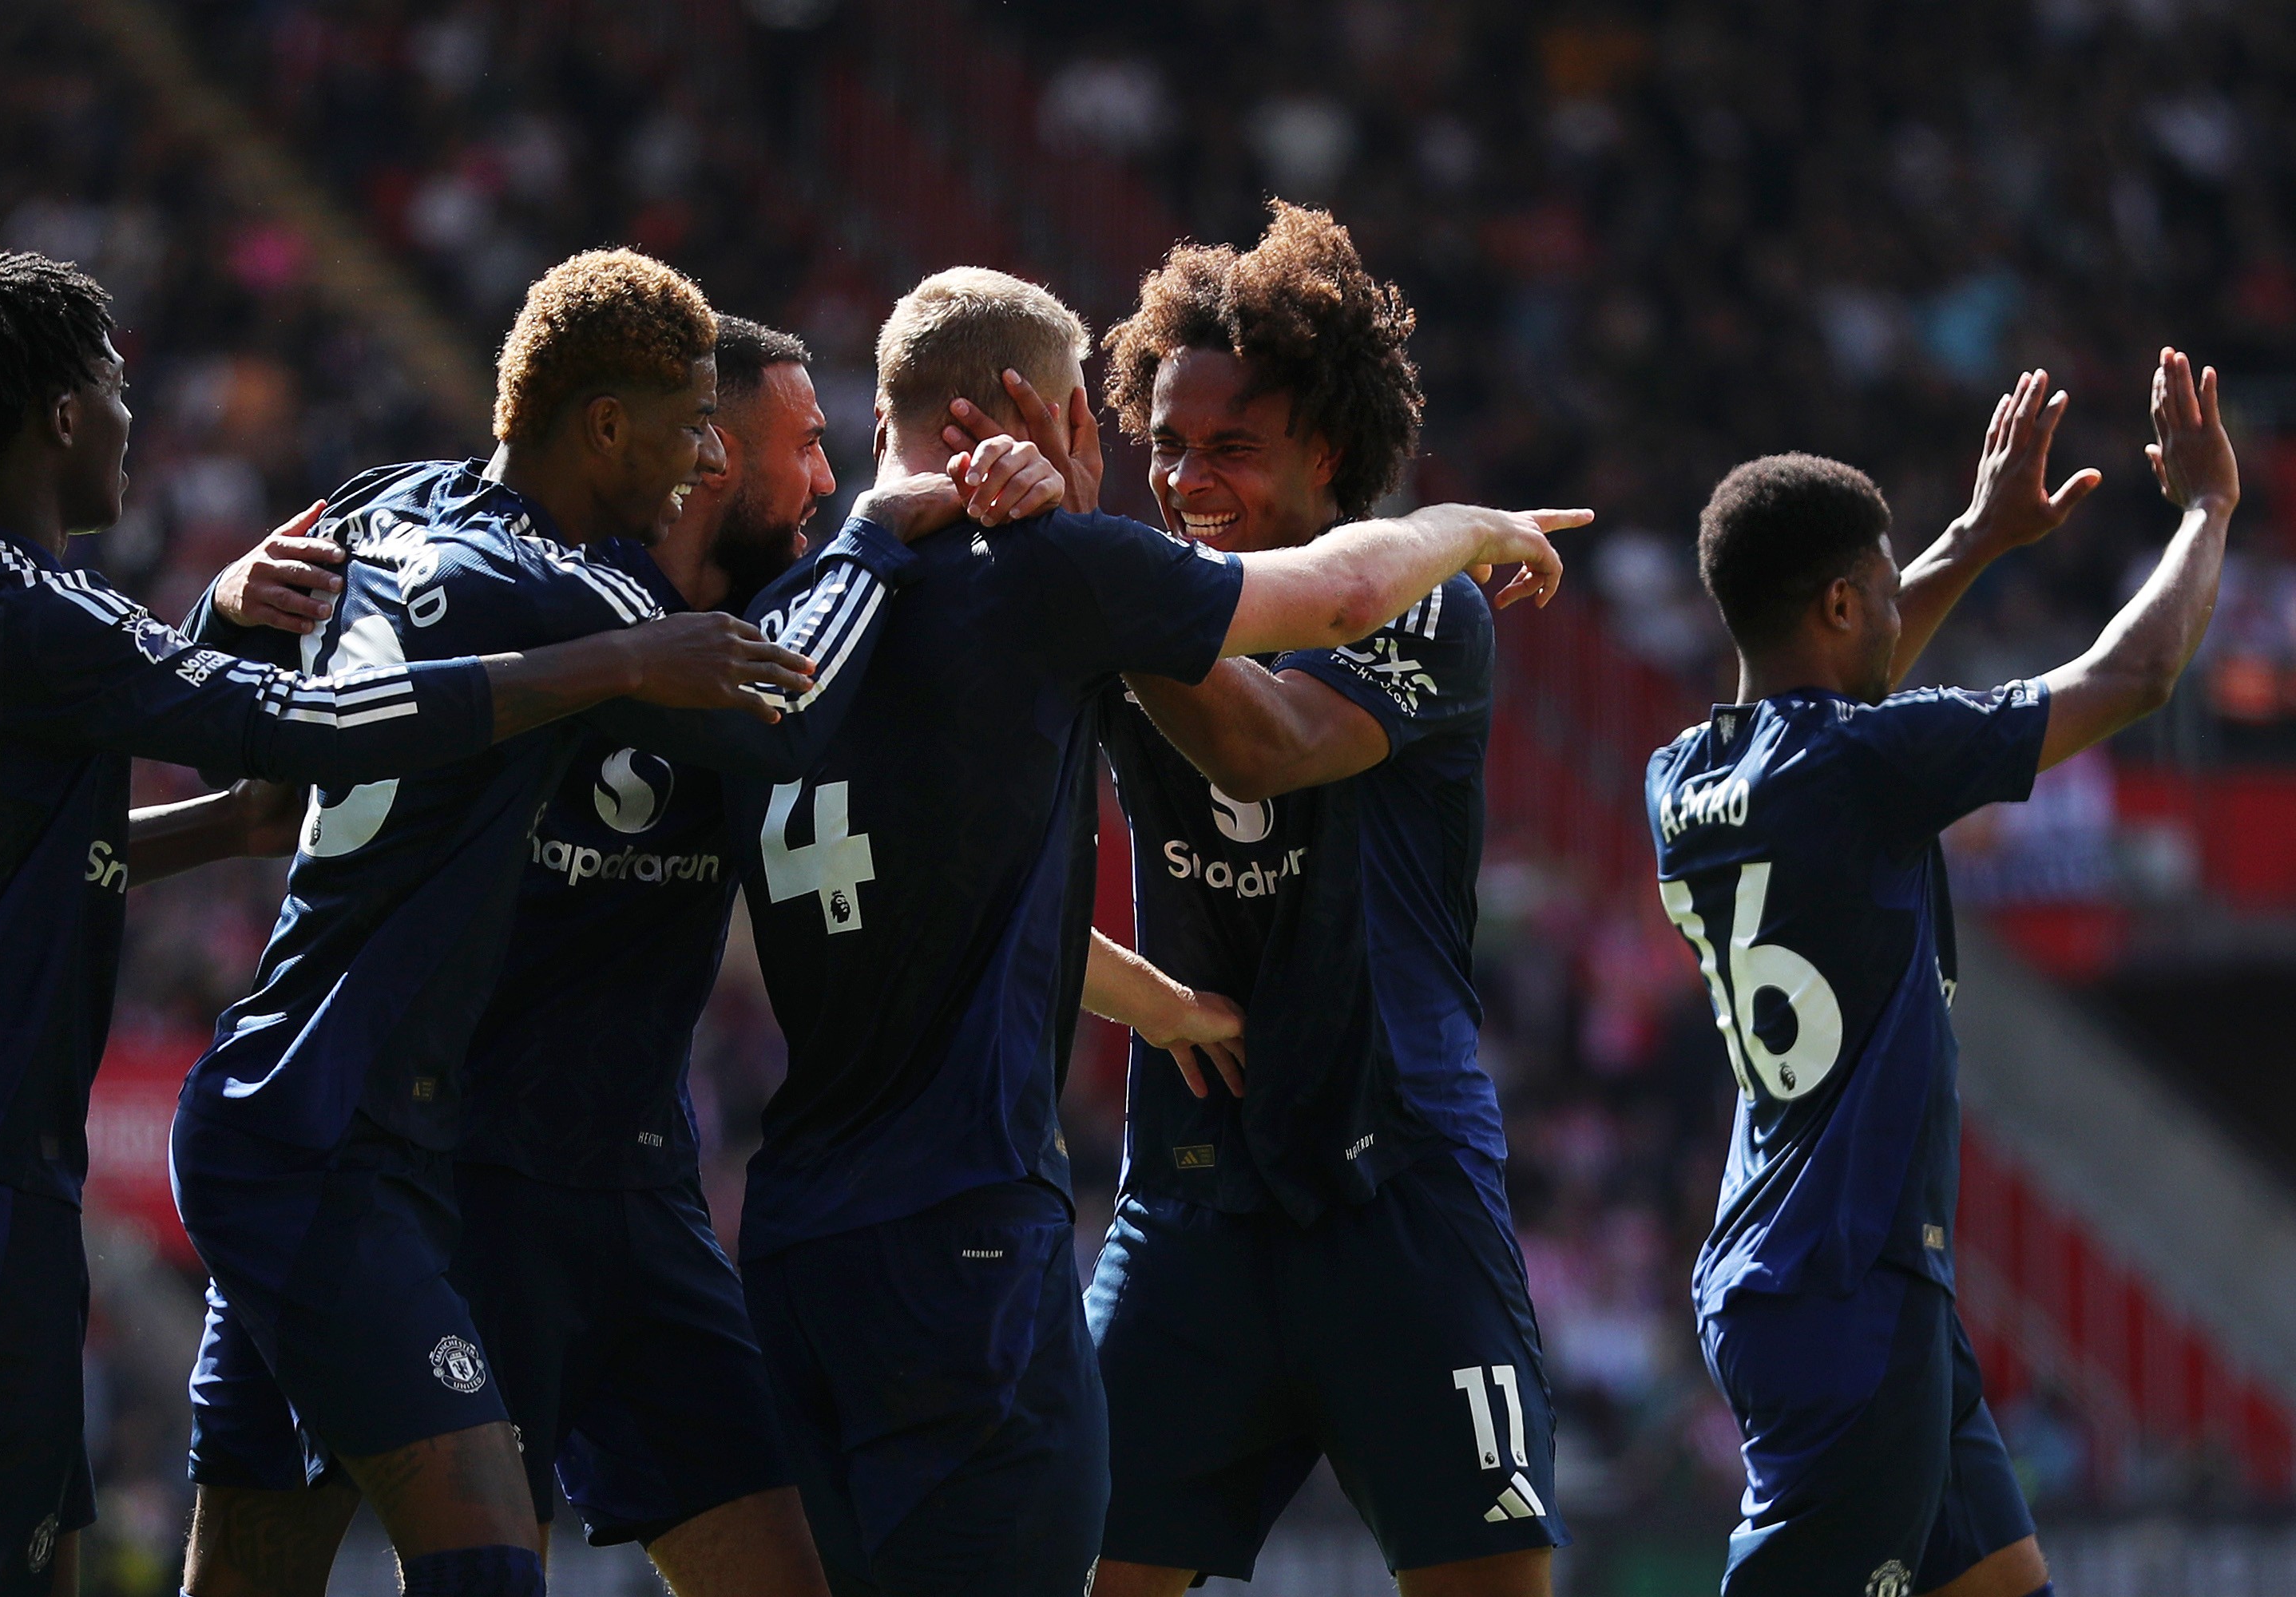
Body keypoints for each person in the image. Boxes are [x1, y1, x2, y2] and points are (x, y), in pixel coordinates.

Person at [0, 253, 807, 1597]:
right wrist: (618, 663)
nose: (127, 416)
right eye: (109, 385)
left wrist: (221, 722)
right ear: (54, 417)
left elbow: (31, 850)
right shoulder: (36, 616)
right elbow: (310, 729)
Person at [168, 252, 1053, 1597]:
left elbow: (225, 699)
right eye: (788, 447)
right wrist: (229, 602)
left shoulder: (592, 583)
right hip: (453, 1167)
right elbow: (776, 712)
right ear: (678, 455)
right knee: (406, 1556)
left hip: (635, 1182)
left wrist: (218, 609)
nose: (820, 484)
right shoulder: (590, 611)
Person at [723, 264, 1577, 1597]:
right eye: (1166, 447)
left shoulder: (1420, 596)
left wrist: (1087, 578)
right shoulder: (1108, 595)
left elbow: (1268, 748)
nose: (1187, 481)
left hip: (1397, 1180)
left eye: (1231, 448)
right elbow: (987, 892)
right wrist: (1161, 1008)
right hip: (1187, 1206)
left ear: (1330, 449)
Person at [1647, 352, 2232, 1597]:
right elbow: (2134, 680)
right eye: (1877, 586)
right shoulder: (1864, 763)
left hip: (1808, 1273)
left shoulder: (1679, 780)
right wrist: (2205, 511)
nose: (1894, 612)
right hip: (1845, 1283)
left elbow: (1838, 669)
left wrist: (1973, 537)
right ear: (1844, 607)